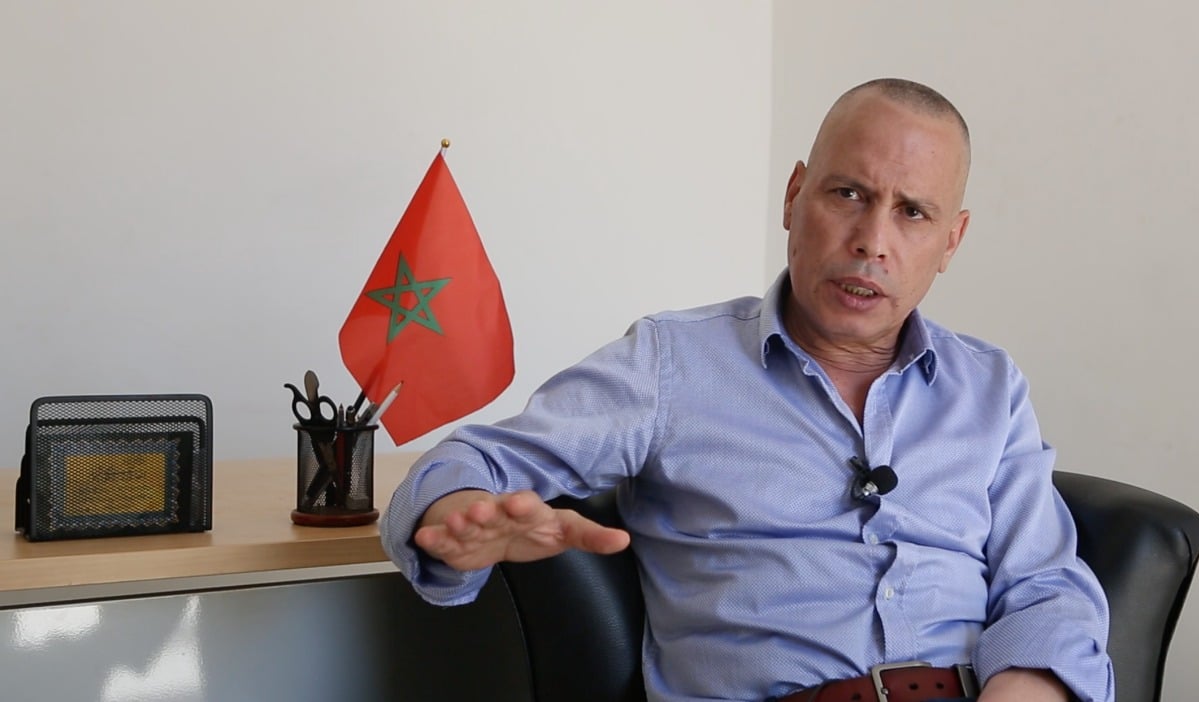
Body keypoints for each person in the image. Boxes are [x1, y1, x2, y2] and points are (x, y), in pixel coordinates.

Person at [381, 78, 1115, 702]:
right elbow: (463, 465)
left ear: (951, 241)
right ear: (795, 197)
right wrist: (457, 517)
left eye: (912, 212)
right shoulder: (671, 364)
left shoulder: (989, 387)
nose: (872, 240)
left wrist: (1028, 687)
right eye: (848, 193)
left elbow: (1046, 584)